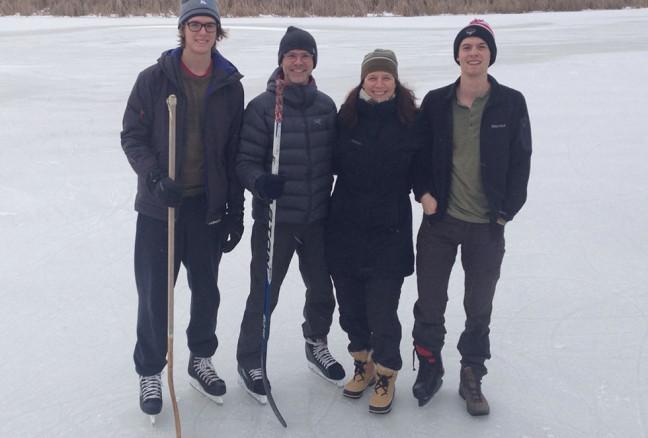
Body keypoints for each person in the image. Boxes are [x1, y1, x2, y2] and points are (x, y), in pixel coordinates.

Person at [120, 0, 244, 416]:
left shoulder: (229, 83)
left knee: (206, 290)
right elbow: (132, 136)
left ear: (218, 32)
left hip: (205, 207)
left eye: (209, 25)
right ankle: (151, 368)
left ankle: (200, 357)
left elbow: (233, 152)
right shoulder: (154, 79)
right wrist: (155, 178)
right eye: (194, 25)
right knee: (156, 293)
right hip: (160, 209)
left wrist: (234, 209)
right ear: (182, 30)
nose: (202, 32)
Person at [412, 19, 532, 415]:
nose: (474, 53)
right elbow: (418, 155)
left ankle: (472, 372)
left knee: (479, 305)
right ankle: (429, 364)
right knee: (430, 301)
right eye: (467, 47)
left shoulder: (510, 102)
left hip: (487, 226)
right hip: (440, 221)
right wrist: (424, 194)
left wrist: (505, 212)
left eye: (481, 46)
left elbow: (521, 159)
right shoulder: (436, 101)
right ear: (457, 55)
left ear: (490, 54)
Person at [235, 26, 345, 404]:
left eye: (305, 56)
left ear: (313, 61)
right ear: (281, 62)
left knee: (321, 289)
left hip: (317, 218)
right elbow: (244, 161)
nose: (298, 62)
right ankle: (250, 360)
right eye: (291, 56)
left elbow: (338, 159)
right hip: (276, 220)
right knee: (264, 293)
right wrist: (260, 181)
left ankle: (316, 342)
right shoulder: (263, 108)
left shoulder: (326, 106)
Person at [326, 49, 420, 414]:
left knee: (382, 311)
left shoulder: (411, 119)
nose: (379, 84)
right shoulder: (346, 117)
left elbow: (424, 167)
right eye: (372, 77)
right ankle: (362, 364)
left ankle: (386, 374)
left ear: (395, 82)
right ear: (362, 80)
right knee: (350, 310)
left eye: (386, 78)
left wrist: (428, 194)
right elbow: (327, 161)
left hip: (389, 230)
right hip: (345, 227)